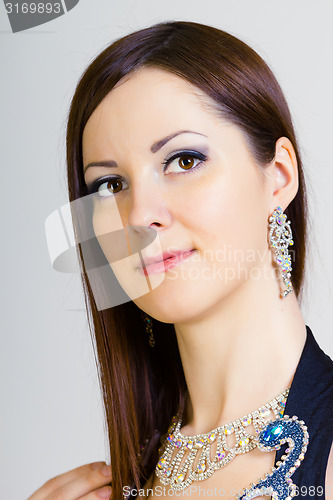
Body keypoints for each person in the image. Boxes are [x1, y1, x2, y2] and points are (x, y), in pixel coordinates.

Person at [29, 21, 333, 500]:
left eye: (184, 160)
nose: (141, 216)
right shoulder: (127, 475)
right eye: (109, 185)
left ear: (278, 177)